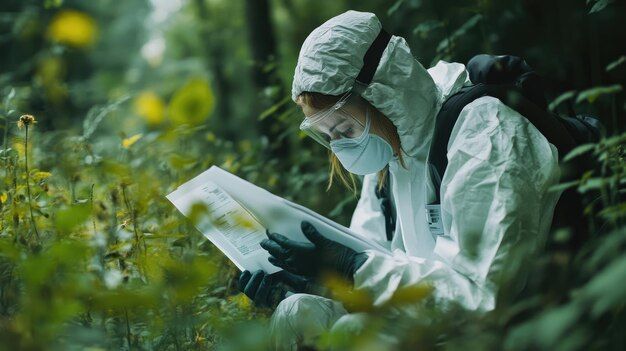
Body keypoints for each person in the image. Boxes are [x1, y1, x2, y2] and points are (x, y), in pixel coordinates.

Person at [238, 10, 562, 350]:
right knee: (296, 311)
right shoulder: (388, 156)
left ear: (384, 97)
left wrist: (353, 267)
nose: (341, 147)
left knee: (352, 332)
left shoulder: (484, 133)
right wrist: (310, 281)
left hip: (506, 332)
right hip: (429, 326)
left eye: (345, 129)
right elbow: (375, 276)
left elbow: (482, 299)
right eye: (327, 136)